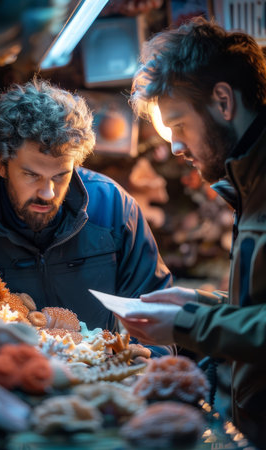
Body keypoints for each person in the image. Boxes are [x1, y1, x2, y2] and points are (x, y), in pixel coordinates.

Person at [118, 17, 266, 447]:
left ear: (223, 101)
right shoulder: (249, 184)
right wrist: (199, 302)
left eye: (179, 125)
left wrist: (191, 322)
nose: (175, 148)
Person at [0, 78, 171, 331]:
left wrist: (146, 361)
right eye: (32, 175)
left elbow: (154, 305)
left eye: (60, 176)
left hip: (103, 368)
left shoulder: (113, 207)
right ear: (2, 164)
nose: (48, 193)